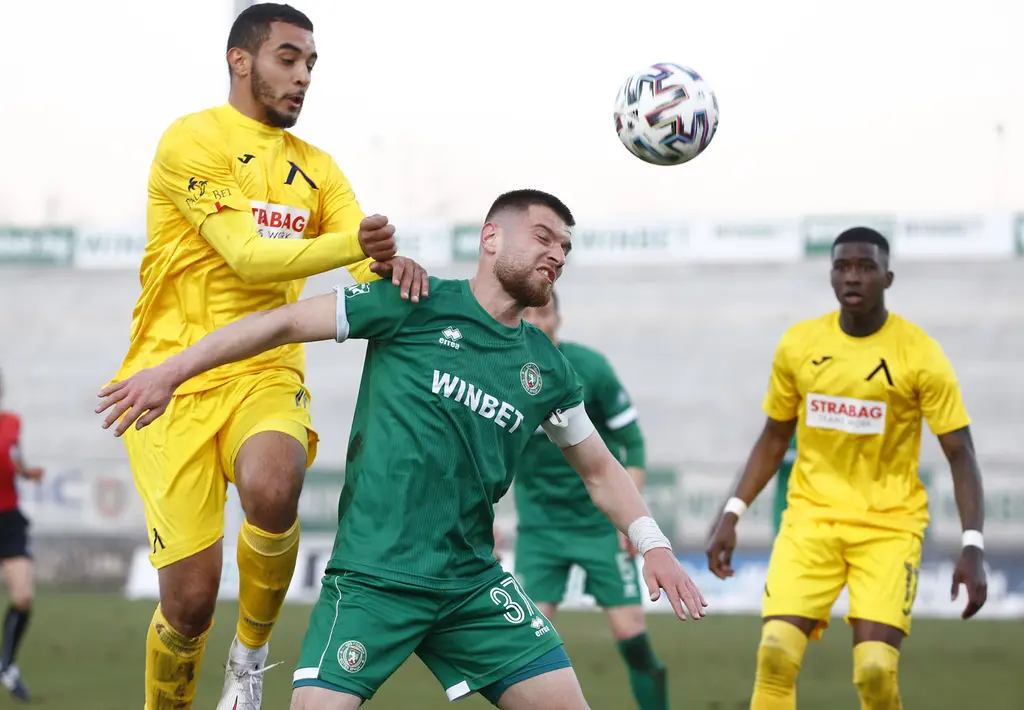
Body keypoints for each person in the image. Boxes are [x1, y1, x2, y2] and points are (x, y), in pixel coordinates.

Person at [96, 189, 708, 710]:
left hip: (472, 586)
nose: (557, 254)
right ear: (491, 238)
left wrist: (653, 543)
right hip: (373, 579)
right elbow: (281, 324)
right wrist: (171, 372)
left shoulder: (546, 368)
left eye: (566, 248)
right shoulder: (413, 302)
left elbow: (599, 469)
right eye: (544, 237)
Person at [103, 4, 429, 709]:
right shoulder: (192, 140)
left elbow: (366, 263)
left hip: (265, 371)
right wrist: (357, 247)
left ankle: (249, 662)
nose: (303, 75)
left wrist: (395, 270)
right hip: (169, 382)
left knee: (276, 482)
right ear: (240, 60)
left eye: (311, 63)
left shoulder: (318, 170)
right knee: (188, 606)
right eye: (289, 58)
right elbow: (249, 257)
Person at [705, 227, 988, 710]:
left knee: (876, 672)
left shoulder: (920, 354)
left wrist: (973, 544)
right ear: (832, 275)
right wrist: (731, 512)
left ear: (888, 278)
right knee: (774, 656)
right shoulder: (800, 344)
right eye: (842, 267)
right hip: (810, 521)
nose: (853, 276)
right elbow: (773, 437)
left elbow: (961, 453)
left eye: (866, 267)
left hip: (889, 527)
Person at [514, 291, 671, 709]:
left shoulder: (590, 369)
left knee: (631, 633)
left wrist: (631, 521)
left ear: (558, 318)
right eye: (528, 313)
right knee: (525, 645)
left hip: (599, 524)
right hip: (539, 530)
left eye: (544, 313)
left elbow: (633, 442)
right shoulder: (499, 371)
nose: (537, 322)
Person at [0, 371, 44, 701]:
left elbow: (12, 461)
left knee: (23, 597)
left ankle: (7, 666)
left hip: (9, 520)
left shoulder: (12, 423)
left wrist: (28, 473)